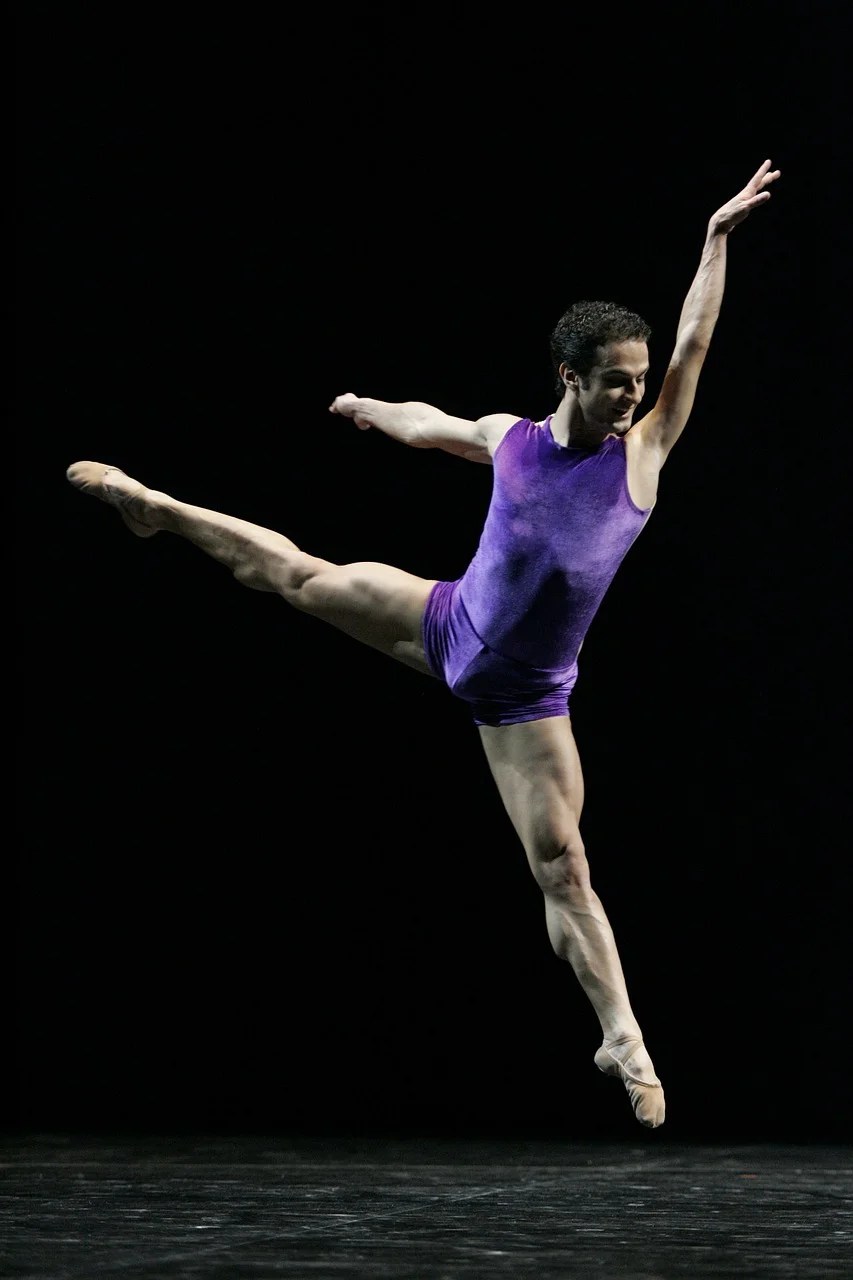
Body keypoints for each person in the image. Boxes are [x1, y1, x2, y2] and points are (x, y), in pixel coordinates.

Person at [66, 158, 781, 1130]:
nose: (632, 397)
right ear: (569, 376)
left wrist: (713, 241)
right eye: (616, 382)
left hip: (523, 698)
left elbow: (694, 341)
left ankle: (622, 1035)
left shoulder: (642, 457)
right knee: (296, 576)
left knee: (562, 866)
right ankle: (153, 507)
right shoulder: (511, 438)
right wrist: (368, 409)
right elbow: (426, 426)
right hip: (444, 623)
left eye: (639, 382)